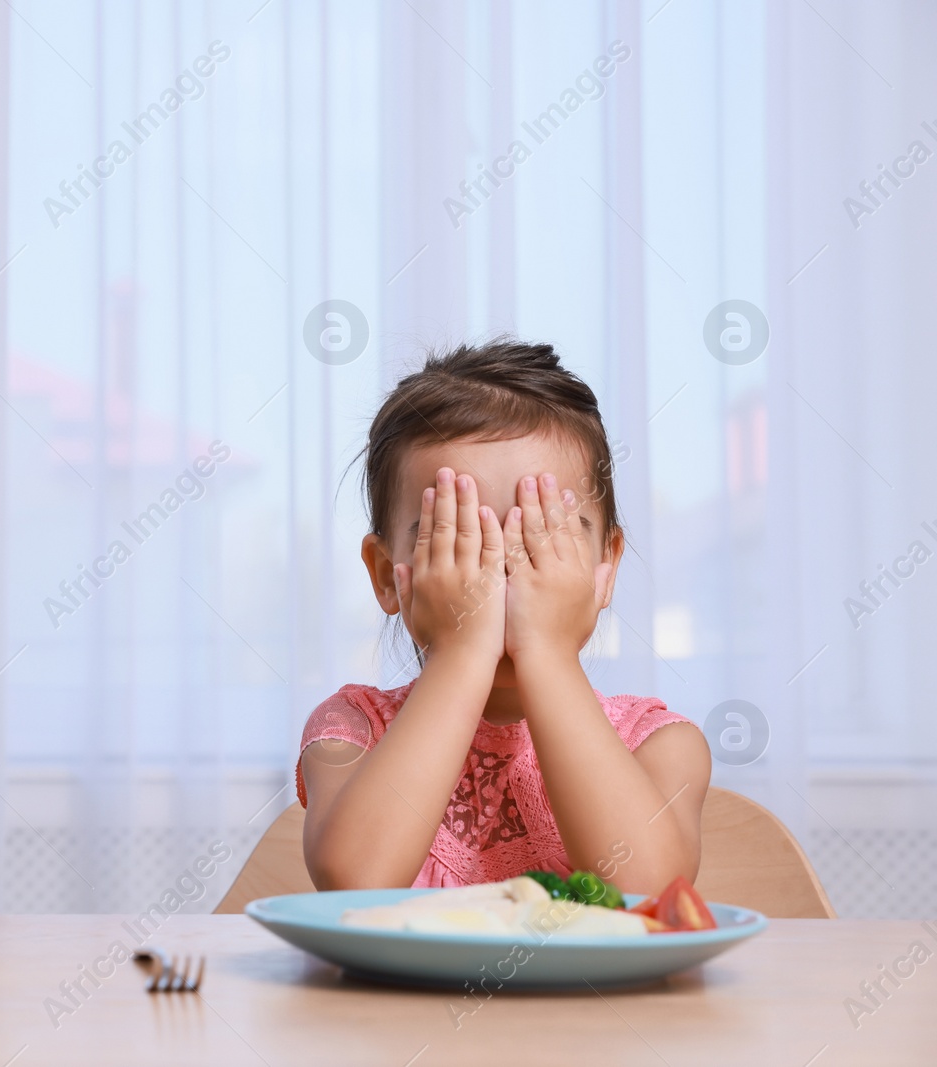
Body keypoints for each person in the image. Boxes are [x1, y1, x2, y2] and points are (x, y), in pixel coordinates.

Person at [299, 340, 710, 893]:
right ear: (384, 574)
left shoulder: (658, 745)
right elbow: (355, 882)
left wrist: (548, 654)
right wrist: (460, 651)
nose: (498, 576)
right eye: (457, 542)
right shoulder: (352, 730)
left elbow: (648, 890)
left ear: (603, 569)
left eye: (541, 540)